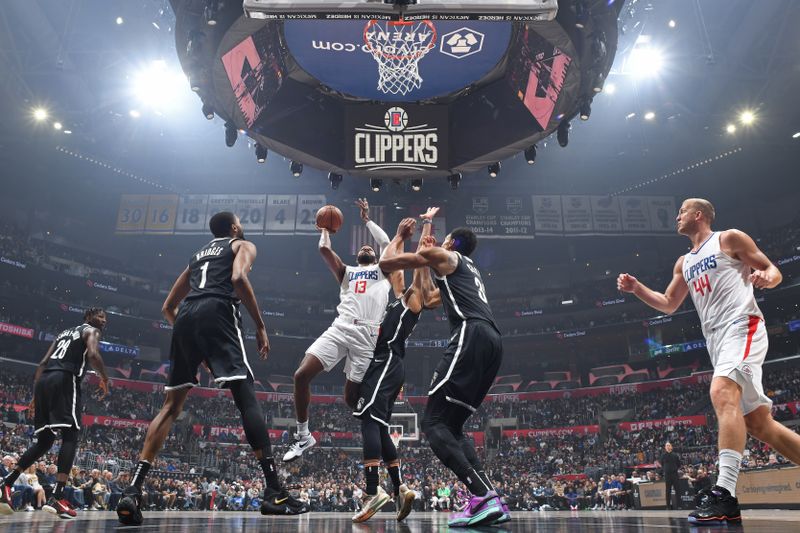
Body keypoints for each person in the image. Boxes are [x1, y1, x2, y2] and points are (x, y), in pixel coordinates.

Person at [116, 211, 307, 526]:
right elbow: (237, 279)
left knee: (170, 407)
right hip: (218, 308)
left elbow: (168, 307)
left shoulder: (196, 256)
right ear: (234, 227)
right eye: (240, 222)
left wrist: (195, 341)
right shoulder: (241, 245)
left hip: (187, 315)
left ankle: (133, 490)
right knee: (246, 394)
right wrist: (260, 327)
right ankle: (274, 490)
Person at [617, 198, 794, 524]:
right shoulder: (683, 262)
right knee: (759, 425)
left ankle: (724, 494)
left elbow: (772, 269)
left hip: (743, 327)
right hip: (719, 343)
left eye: (682, 211)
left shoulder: (729, 239)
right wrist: (637, 288)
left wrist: (768, 278)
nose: (677, 216)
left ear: (699, 215)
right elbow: (669, 303)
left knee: (721, 393)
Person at [379, 226, 507, 527]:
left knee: (433, 423)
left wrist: (417, 246)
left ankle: (481, 494)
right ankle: (489, 498)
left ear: (451, 242)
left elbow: (423, 257)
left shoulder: (453, 258)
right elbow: (425, 296)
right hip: (491, 342)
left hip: (470, 333)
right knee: (453, 427)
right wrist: (425, 254)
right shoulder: (465, 273)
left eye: (445, 240)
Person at [284, 199, 394, 462]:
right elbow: (324, 249)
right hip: (341, 327)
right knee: (301, 375)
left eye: (371, 247)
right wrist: (325, 228)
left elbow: (387, 244)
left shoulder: (382, 272)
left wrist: (367, 220)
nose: (368, 247)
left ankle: (376, 428)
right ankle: (303, 435)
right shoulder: (346, 272)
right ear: (357, 256)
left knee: (350, 398)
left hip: (367, 337)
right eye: (363, 247)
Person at [351, 212, 440, 523]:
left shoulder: (414, 301)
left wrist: (407, 236)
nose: (399, 277)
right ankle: (400, 488)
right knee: (379, 426)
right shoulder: (400, 298)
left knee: (366, 420)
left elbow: (397, 258)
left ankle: (373, 491)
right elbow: (396, 263)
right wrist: (424, 229)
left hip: (386, 361)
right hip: (388, 364)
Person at [0, 308, 110, 520]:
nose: (104, 321)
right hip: (65, 379)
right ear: (88, 317)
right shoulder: (91, 331)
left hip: (44, 382)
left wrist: (35, 394)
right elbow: (94, 355)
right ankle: (58, 496)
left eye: (105, 319)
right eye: (101, 317)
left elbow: (42, 363)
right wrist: (105, 378)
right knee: (71, 435)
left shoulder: (63, 333)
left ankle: (6, 483)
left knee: (45, 441)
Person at [657, 442, 681, 510]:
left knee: (677, 490)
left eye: (669, 445)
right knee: (668, 490)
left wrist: (674, 468)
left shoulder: (675, 455)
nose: (668, 446)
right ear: (665, 447)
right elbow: (661, 464)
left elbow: (678, 464)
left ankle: (679, 505)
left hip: (675, 474)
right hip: (667, 475)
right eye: (666, 445)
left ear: (671, 447)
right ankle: (668, 506)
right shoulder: (663, 455)